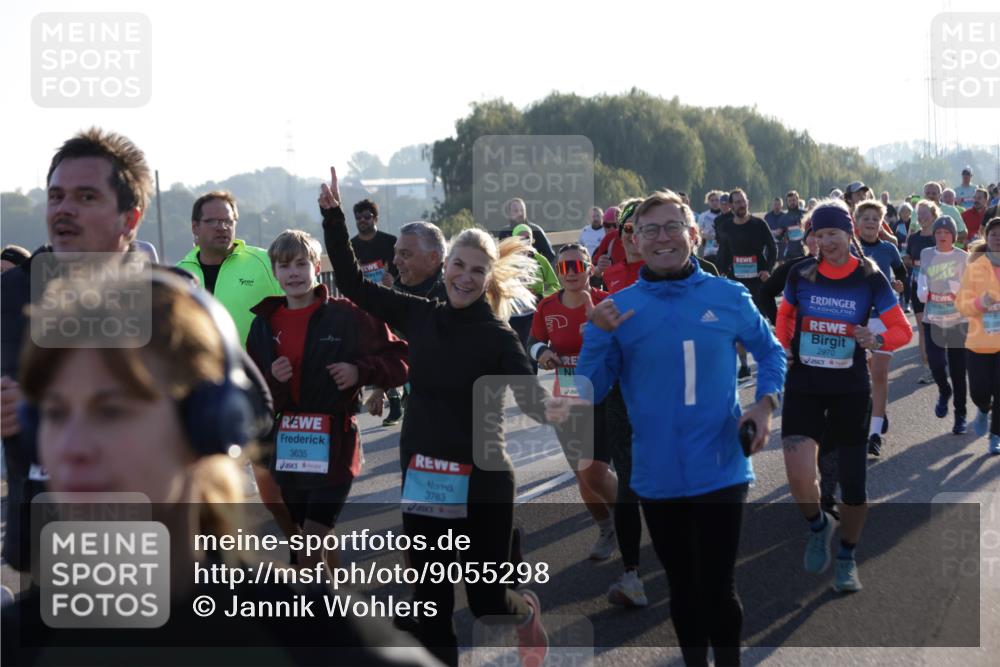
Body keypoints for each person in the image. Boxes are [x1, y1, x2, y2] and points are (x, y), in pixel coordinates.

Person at [3, 270, 440, 667]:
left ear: (207, 424)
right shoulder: (18, 643)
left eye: (112, 411)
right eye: (54, 414)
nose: (71, 447)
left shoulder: (319, 636)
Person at [320, 167, 554, 667]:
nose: (466, 277)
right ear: (446, 266)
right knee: (431, 606)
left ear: (488, 278)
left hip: (484, 480)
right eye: (460, 266)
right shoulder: (418, 314)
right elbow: (353, 282)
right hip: (426, 473)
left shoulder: (497, 337)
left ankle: (524, 609)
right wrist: (332, 217)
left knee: (488, 601)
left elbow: (535, 403)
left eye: (477, 271)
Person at [575, 190, 785, 666]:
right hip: (657, 474)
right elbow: (585, 392)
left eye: (672, 227)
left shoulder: (728, 295)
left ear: (694, 235)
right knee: (682, 590)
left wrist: (765, 406)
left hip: (722, 466)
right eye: (650, 230)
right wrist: (595, 336)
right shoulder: (617, 309)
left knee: (718, 588)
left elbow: (771, 352)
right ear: (635, 241)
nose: (662, 238)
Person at [1, 127, 156, 574]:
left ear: (130, 219)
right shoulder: (7, 294)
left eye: (86, 197)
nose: (64, 208)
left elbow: (251, 412)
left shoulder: (173, 301)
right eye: (56, 196)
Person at [246, 229, 409, 569]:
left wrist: (360, 372)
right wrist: (273, 381)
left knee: (309, 547)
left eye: (301, 264)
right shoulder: (263, 325)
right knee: (307, 541)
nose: (293, 273)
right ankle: (339, 607)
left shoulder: (347, 315)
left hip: (336, 445)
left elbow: (401, 360)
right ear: (274, 272)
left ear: (317, 267)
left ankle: (308, 618)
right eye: (285, 265)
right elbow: (253, 393)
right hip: (289, 450)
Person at [775, 199, 912, 594]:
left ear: (849, 232)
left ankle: (848, 556)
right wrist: (784, 344)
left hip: (850, 388)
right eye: (820, 234)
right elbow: (785, 315)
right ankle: (819, 525)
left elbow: (900, 329)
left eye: (834, 232)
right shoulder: (801, 273)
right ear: (813, 237)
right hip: (804, 384)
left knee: (853, 488)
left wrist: (877, 338)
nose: (827, 241)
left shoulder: (870, 277)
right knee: (799, 475)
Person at [527, 243, 618, 561]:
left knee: (597, 470)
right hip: (567, 396)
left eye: (578, 265)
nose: (571, 273)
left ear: (590, 269)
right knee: (584, 473)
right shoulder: (547, 307)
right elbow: (533, 341)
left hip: (608, 395)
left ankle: (626, 517)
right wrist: (543, 353)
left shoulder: (607, 302)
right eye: (564, 267)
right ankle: (608, 527)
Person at [177, 190, 284, 345]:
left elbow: (308, 303)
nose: (222, 227)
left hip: (257, 368)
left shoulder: (267, 261)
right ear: (195, 227)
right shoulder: (179, 274)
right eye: (212, 221)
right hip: (200, 368)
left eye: (228, 221)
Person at [372, 221, 448, 425]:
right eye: (396, 253)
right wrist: (380, 387)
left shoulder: (458, 293)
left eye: (405, 254)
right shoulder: (396, 292)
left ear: (433, 258)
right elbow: (392, 343)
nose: (395, 261)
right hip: (416, 403)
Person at [855, 201, 907, 456]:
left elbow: (902, 275)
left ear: (881, 223)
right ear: (857, 222)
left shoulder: (889, 249)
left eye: (875, 219)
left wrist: (899, 285)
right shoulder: (851, 250)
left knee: (879, 373)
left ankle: (874, 434)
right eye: (866, 218)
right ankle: (878, 408)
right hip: (859, 320)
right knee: (864, 376)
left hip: (885, 318)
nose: (871, 223)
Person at [916, 217, 970, 434]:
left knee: (958, 372)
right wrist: (922, 288)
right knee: (936, 364)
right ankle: (943, 390)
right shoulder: (927, 254)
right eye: (938, 232)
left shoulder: (962, 257)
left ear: (953, 236)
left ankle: (960, 415)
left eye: (946, 232)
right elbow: (921, 277)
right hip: (934, 320)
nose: (942, 236)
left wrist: (957, 289)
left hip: (958, 321)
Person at [716, 188, 778, 375]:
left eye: (743, 201)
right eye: (736, 202)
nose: (740, 205)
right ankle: (743, 365)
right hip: (737, 283)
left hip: (758, 282)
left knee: (761, 323)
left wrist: (768, 269)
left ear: (747, 202)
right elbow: (723, 252)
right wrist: (722, 272)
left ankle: (771, 358)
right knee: (737, 325)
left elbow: (772, 247)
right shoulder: (726, 227)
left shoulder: (759, 224)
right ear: (731, 206)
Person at [956, 217, 1000, 454]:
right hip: (979, 342)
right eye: (994, 234)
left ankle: (996, 435)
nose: (998, 239)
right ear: (987, 237)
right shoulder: (975, 267)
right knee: (979, 392)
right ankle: (983, 409)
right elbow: (961, 304)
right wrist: (980, 303)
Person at [905, 200, 941, 384]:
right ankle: (928, 369)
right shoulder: (913, 238)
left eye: (925, 214)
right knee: (922, 329)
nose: (921, 218)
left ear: (934, 215)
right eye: (919, 215)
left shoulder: (939, 237)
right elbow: (907, 258)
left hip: (938, 288)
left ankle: (940, 363)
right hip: (917, 287)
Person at [351, 198, 399, 287]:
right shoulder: (350, 246)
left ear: (376, 219)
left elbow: (402, 271)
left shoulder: (391, 241)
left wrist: (393, 280)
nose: (362, 220)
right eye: (358, 217)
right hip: (363, 295)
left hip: (389, 294)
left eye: (367, 217)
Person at [496, 197, 555, 263]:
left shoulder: (536, 230)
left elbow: (550, 255)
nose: (520, 213)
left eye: (522, 210)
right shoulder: (504, 233)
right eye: (516, 211)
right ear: (510, 214)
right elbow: (500, 257)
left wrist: (534, 265)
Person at [916, 182, 968, 247]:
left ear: (940, 195)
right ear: (924, 195)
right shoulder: (916, 211)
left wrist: (944, 238)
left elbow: (964, 233)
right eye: (928, 193)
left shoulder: (952, 210)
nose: (930, 196)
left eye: (934, 193)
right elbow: (911, 232)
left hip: (947, 251)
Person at [778, 191, 806, 261]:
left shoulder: (805, 214)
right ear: (787, 202)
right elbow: (779, 237)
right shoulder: (783, 218)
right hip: (790, 254)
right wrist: (782, 236)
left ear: (798, 200)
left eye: (794, 200)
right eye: (789, 201)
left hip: (805, 252)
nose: (792, 202)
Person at [697, 190, 724, 263]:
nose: (715, 203)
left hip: (724, 252)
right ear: (708, 202)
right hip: (709, 252)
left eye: (717, 200)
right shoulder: (703, 216)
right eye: (712, 200)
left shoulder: (726, 215)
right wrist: (707, 236)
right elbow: (698, 232)